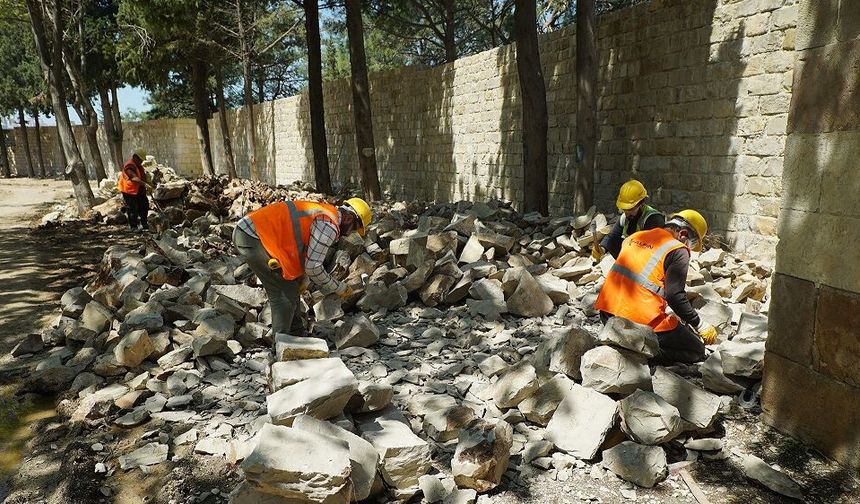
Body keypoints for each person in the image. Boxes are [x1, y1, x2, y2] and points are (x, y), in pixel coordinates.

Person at [232, 197, 372, 337]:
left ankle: (296, 334)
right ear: (348, 218)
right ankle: (281, 342)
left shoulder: (326, 214)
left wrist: (302, 278)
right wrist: (339, 288)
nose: (350, 234)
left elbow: (303, 250)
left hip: (253, 232)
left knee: (291, 288)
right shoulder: (329, 226)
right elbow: (313, 268)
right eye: (354, 229)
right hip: (251, 236)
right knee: (284, 294)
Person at [594, 209, 717, 363]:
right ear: (683, 234)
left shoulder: (635, 236)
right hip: (638, 321)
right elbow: (675, 295)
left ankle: (623, 342)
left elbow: (644, 280)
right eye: (691, 244)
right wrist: (699, 324)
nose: (689, 248)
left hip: (607, 313)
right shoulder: (678, 250)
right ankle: (638, 354)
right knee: (696, 350)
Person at [593, 179, 665, 260]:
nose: (627, 213)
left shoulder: (654, 219)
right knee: (613, 241)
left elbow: (653, 249)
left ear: (641, 203)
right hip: (632, 257)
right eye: (624, 209)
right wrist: (602, 249)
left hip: (648, 258)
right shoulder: (625, 217)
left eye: (630, 209)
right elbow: (612, 236)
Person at [117, 148, 150, 232]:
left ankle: (144, 223)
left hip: (138, 190)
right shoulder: (129, 166)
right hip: (129, 191)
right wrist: (145, 184)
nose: (141, 162)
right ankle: (133, 227)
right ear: (135, 157)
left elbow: (142, 176)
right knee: (132, 209)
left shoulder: (138, 165)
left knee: (144, 205)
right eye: (140, 160)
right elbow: (134, 178)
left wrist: (147, 184)